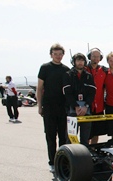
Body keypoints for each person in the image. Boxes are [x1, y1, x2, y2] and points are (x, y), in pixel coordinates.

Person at [37, 43, 70, 173]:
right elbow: (39, 88)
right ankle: (52, 162)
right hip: (49, 107)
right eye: (55, 54)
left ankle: (61, 161)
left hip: (63, 107)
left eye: (60, 54)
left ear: (63, 55)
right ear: (51, 54)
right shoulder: (45, 68)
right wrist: (40, 106)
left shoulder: (66, 69)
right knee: (50, 136)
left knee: (63, 136)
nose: (58, 56)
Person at [62, 53, 96, 146]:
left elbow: (92, 92)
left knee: (85, 138)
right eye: (78, 60)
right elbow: (67, 93)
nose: (80, 63)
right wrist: (75, 106)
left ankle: (84, 158)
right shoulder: (68, 75)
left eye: (82, 60)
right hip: (72, 110)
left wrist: (86, 106)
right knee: (71, 138)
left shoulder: (88, 76)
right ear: (74, 62)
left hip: (86, 109)